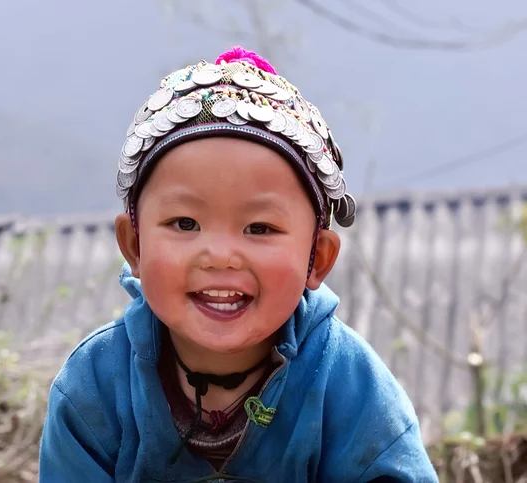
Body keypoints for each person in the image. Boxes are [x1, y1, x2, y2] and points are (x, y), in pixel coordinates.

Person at [39, 46, 438, 482]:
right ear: (134, 246)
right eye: (185, 222)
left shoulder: (348, 384)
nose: (221, 255)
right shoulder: (94, 387)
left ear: (316, 259)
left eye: (260, 228)